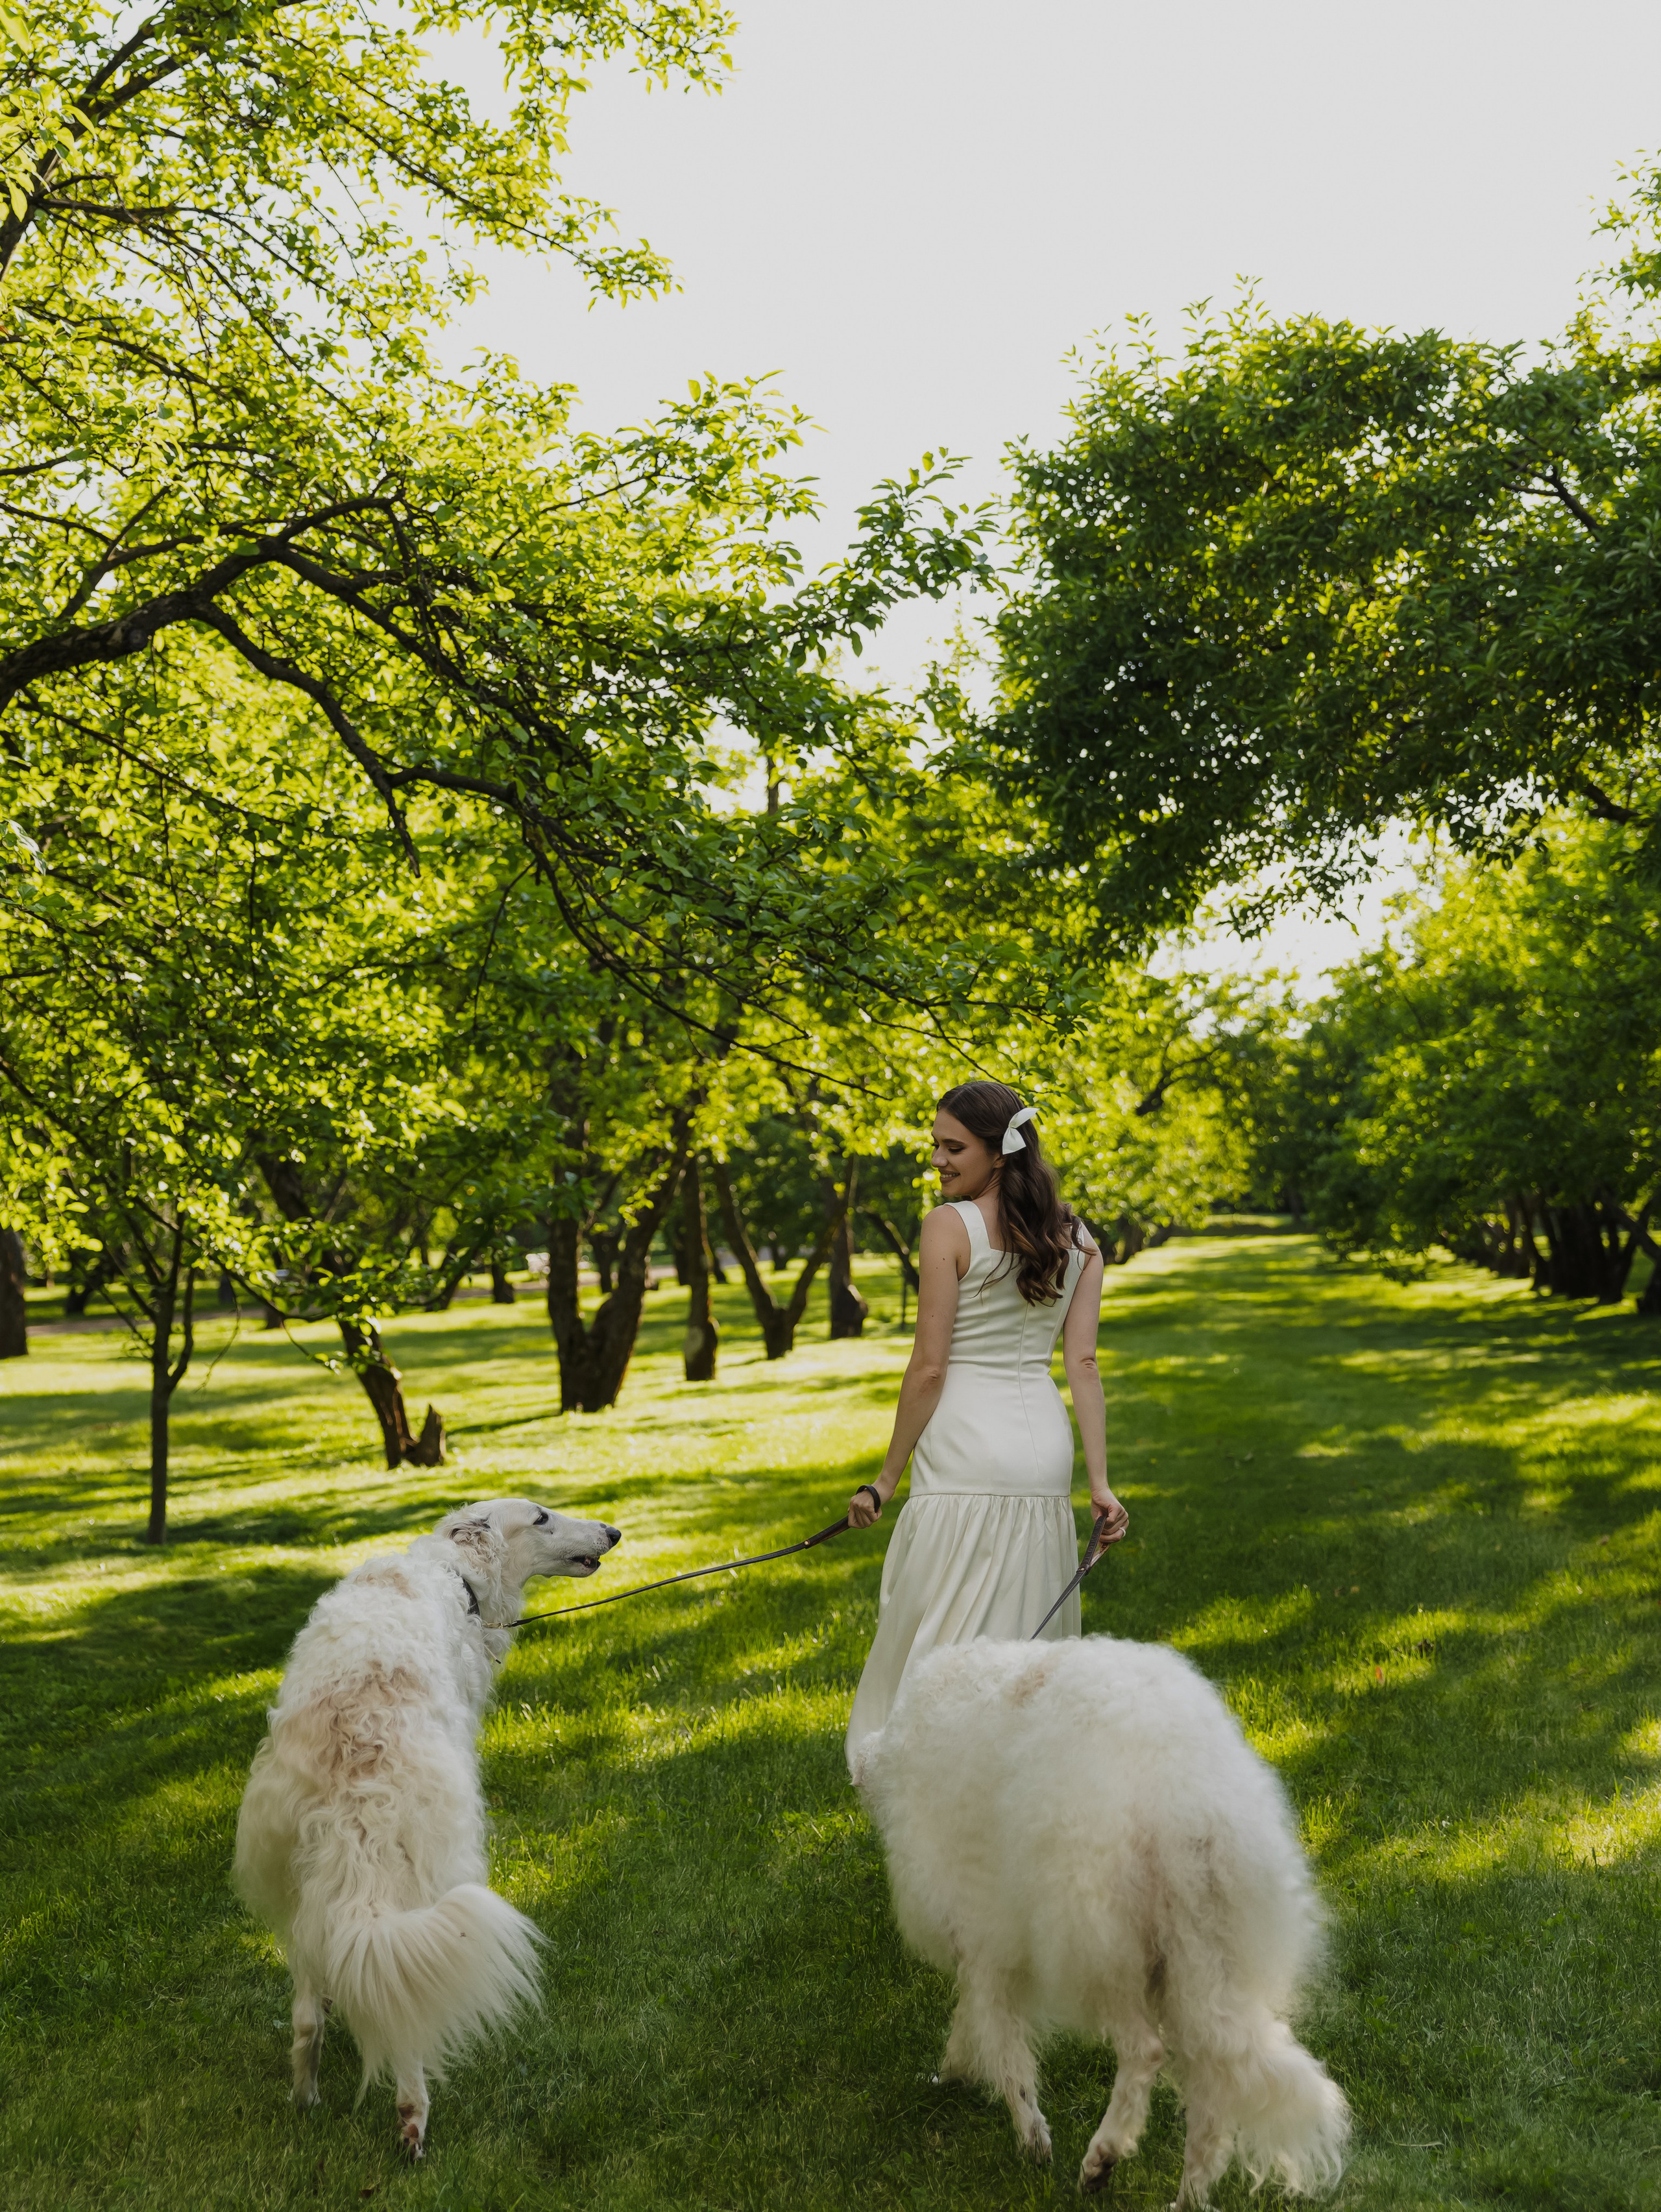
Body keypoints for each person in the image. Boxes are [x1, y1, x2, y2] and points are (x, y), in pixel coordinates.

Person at [843, 1079, 1128, 1768]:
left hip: (966, 1443)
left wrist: (886, 1478)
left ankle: (929, 1775)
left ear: (999, 1153)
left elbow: (930, 1366)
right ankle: (1017, 1774)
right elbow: (1082, 1364)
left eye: (953, 1146)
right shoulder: (1080, 1238)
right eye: (935, 1145)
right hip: (1041, 1451)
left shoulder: (950, 1224)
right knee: (1023, 1627)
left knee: (940, 1626)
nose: (938, 1160)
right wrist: (1100, 1484)